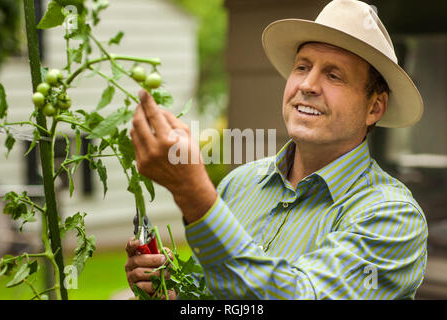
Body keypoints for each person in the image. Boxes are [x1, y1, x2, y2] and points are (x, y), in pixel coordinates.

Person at [125, 0, 428, 299]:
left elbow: (301, 295)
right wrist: (175, 292)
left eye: (334, 75)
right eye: (302, 66)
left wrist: (194, 195)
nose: (307, 85)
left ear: (374, 107)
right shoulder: (239, 184)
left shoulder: (392, 216)